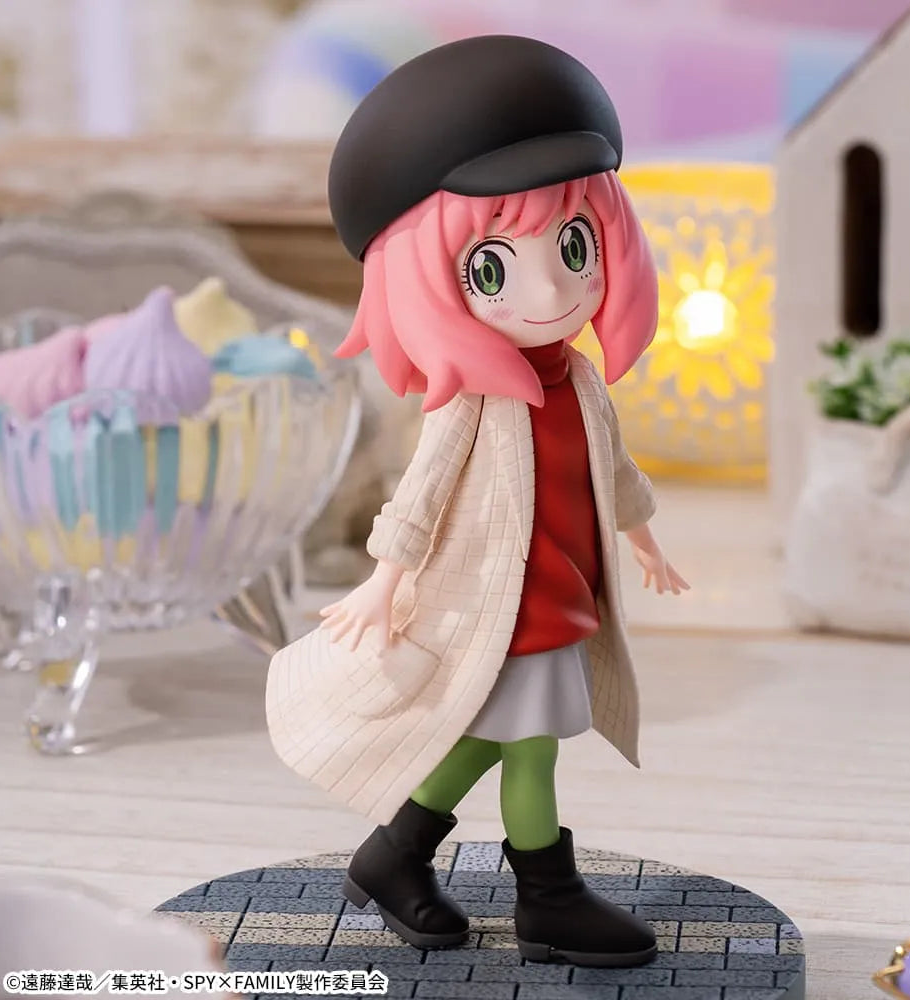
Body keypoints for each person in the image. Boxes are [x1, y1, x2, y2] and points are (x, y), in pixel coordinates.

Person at [267, 33, 689, 969]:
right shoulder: (474, 402)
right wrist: (385, 581)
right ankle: (549, 901)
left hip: (561, 596)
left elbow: (610, 466)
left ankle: (393, 856)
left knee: (491, 740)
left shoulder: (578, 380)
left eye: (574, 245)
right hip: (498, 608)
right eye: (491, 267)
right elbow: (421, 490)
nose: (551, 289)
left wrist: (642, 534)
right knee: (529, 748)